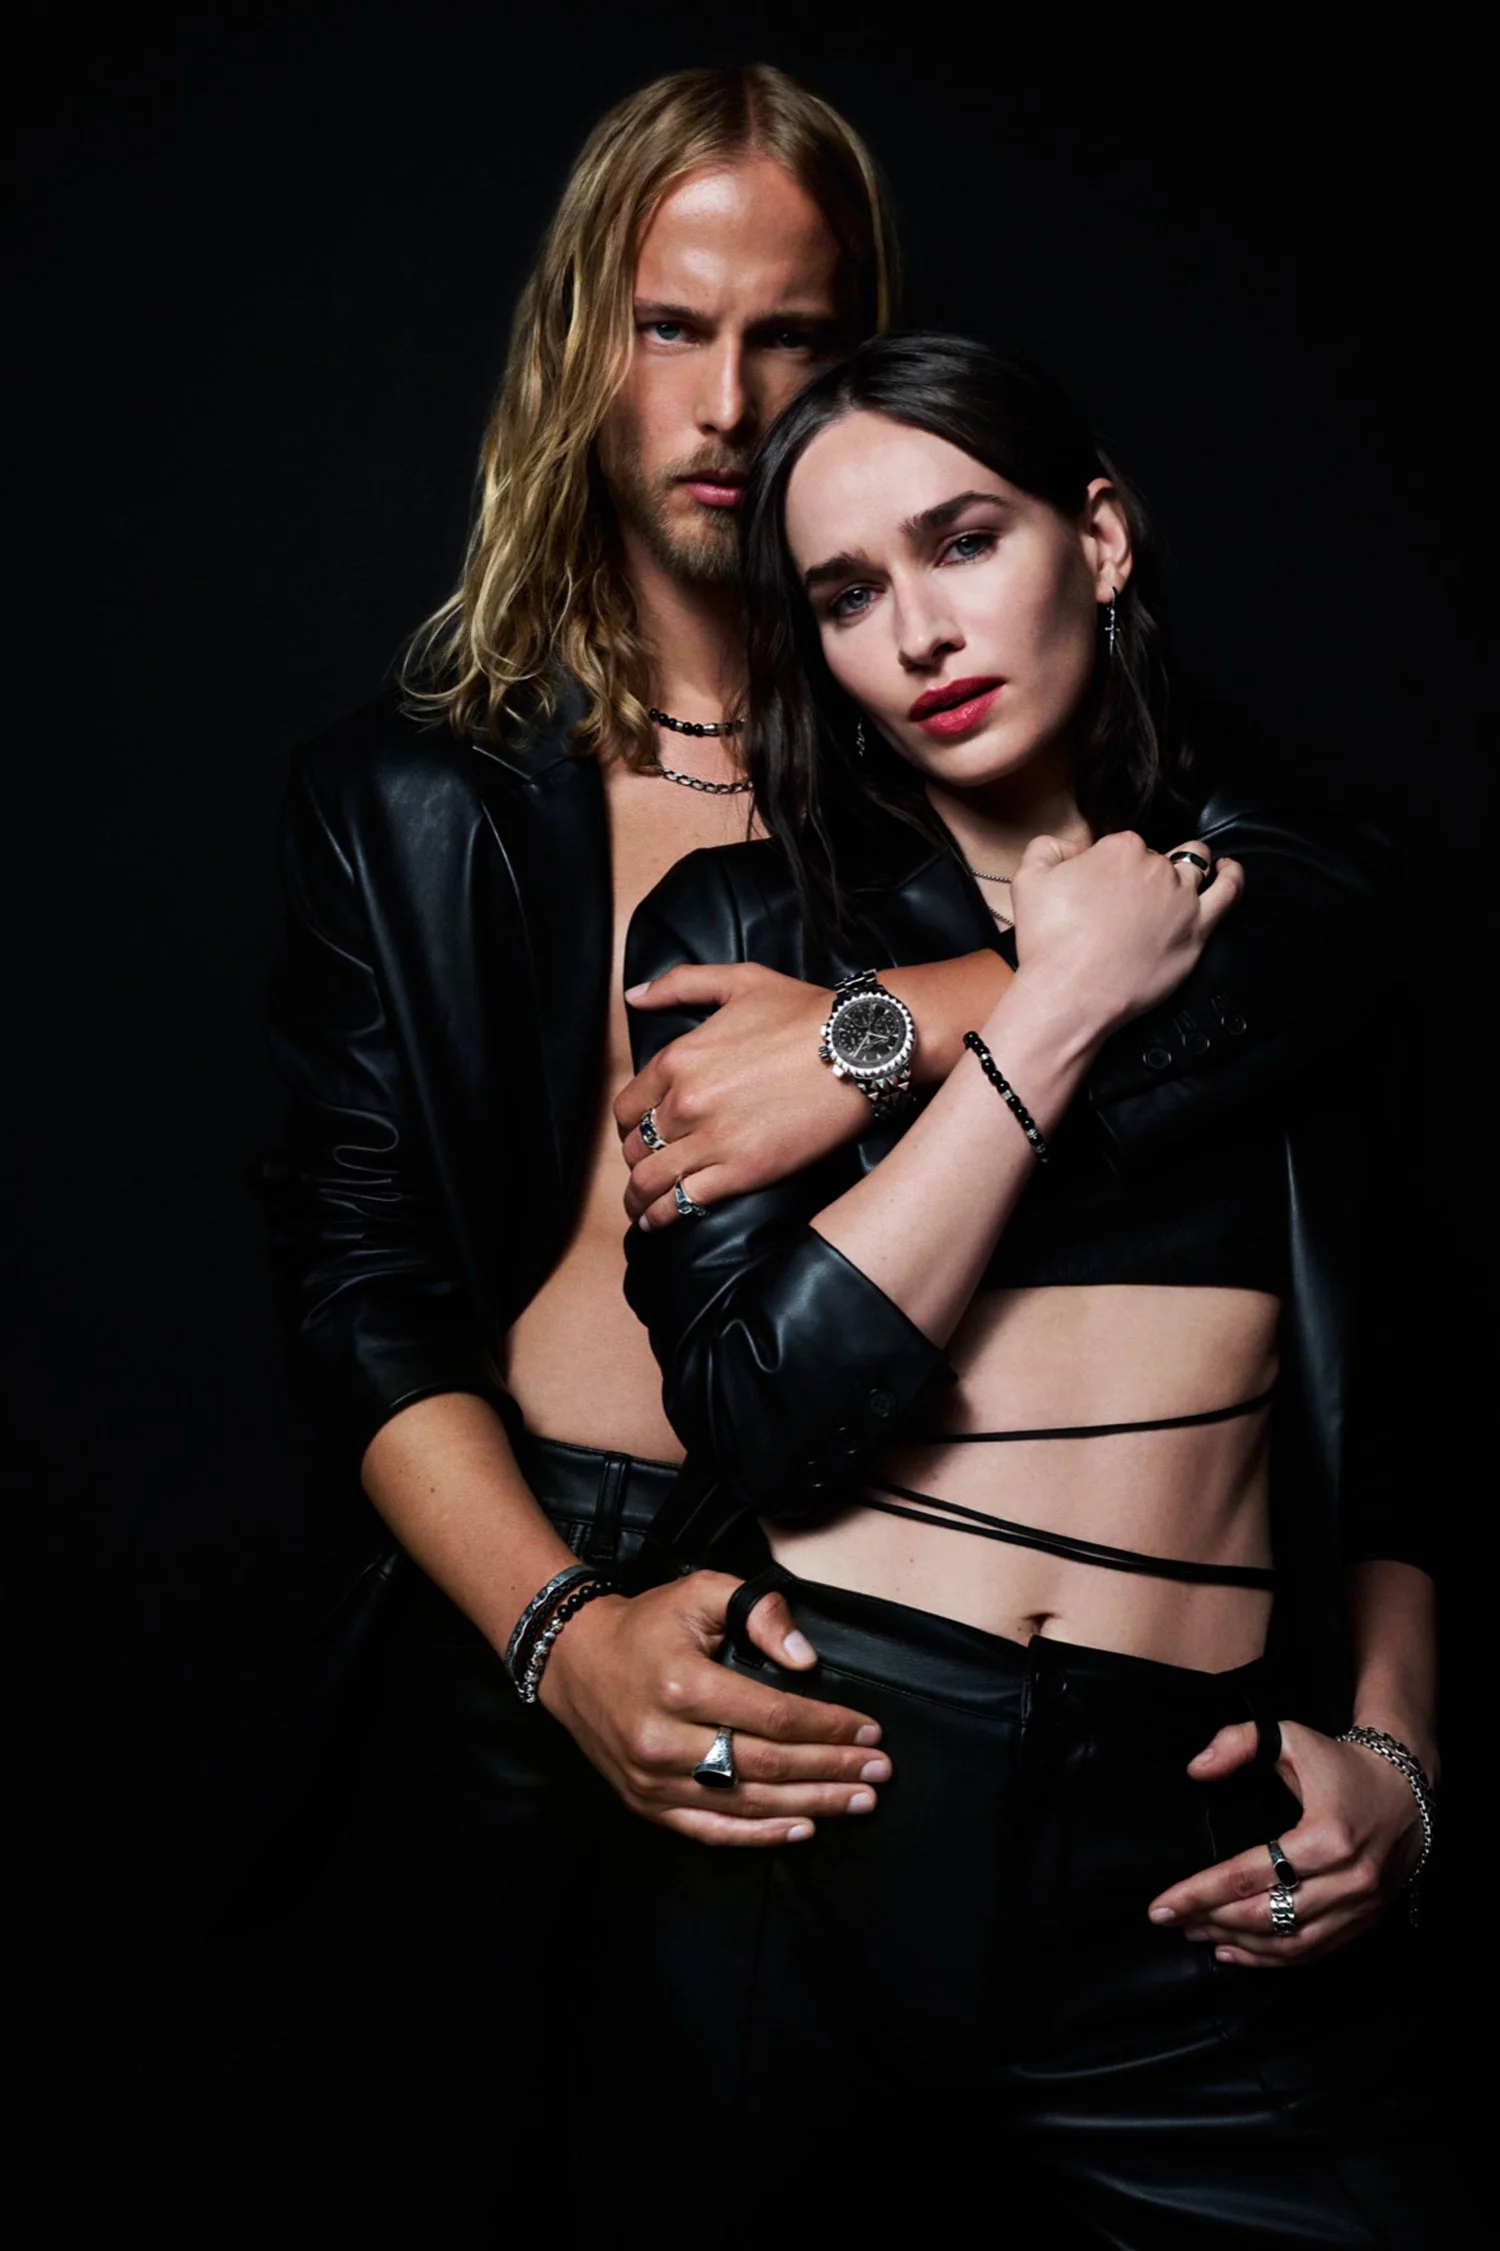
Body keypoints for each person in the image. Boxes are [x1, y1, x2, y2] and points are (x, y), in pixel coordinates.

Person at [241, 66, 1062, 2215]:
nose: (724, 399)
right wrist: (557, 1639)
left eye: (786, 334)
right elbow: (355, 1292)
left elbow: (1239, 935)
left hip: (865, 1605)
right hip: (508, 1597)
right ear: (581, 348)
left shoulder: (966, 715)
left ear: (858, 348)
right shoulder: (412, 796)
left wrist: (878, 1032)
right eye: (669, 326)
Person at [613, 334, 1440, 2242]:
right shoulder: (741, 941)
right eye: (845, 592)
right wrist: (1044, 1014)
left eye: (964, 540)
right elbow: (758, 1414)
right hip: (828, 1821)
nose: (918, 631)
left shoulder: (1301, 896)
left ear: (1102, 536)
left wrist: (1406, 1756)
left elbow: (1403, 1412)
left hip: (1192, 1853)